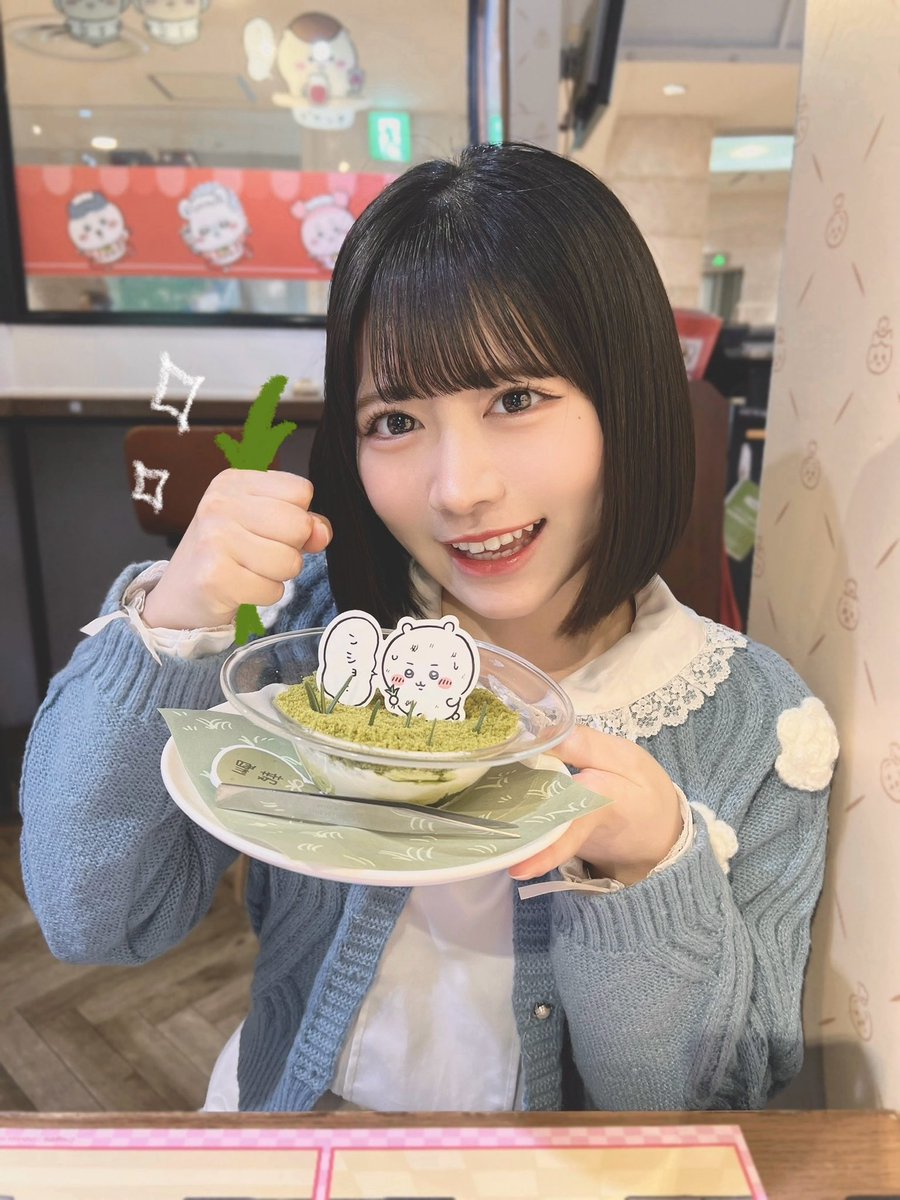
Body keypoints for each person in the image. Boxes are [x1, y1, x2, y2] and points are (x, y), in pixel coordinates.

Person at [19, 143, 838, 1114]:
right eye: (396, 421)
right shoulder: (309, 645)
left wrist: (651, 868)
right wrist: (170, 626)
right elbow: (99, 919)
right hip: (295, 1138)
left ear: (628, 401)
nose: (459, 489)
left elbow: (697, 1110)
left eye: (517, 399)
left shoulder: (754, 726)